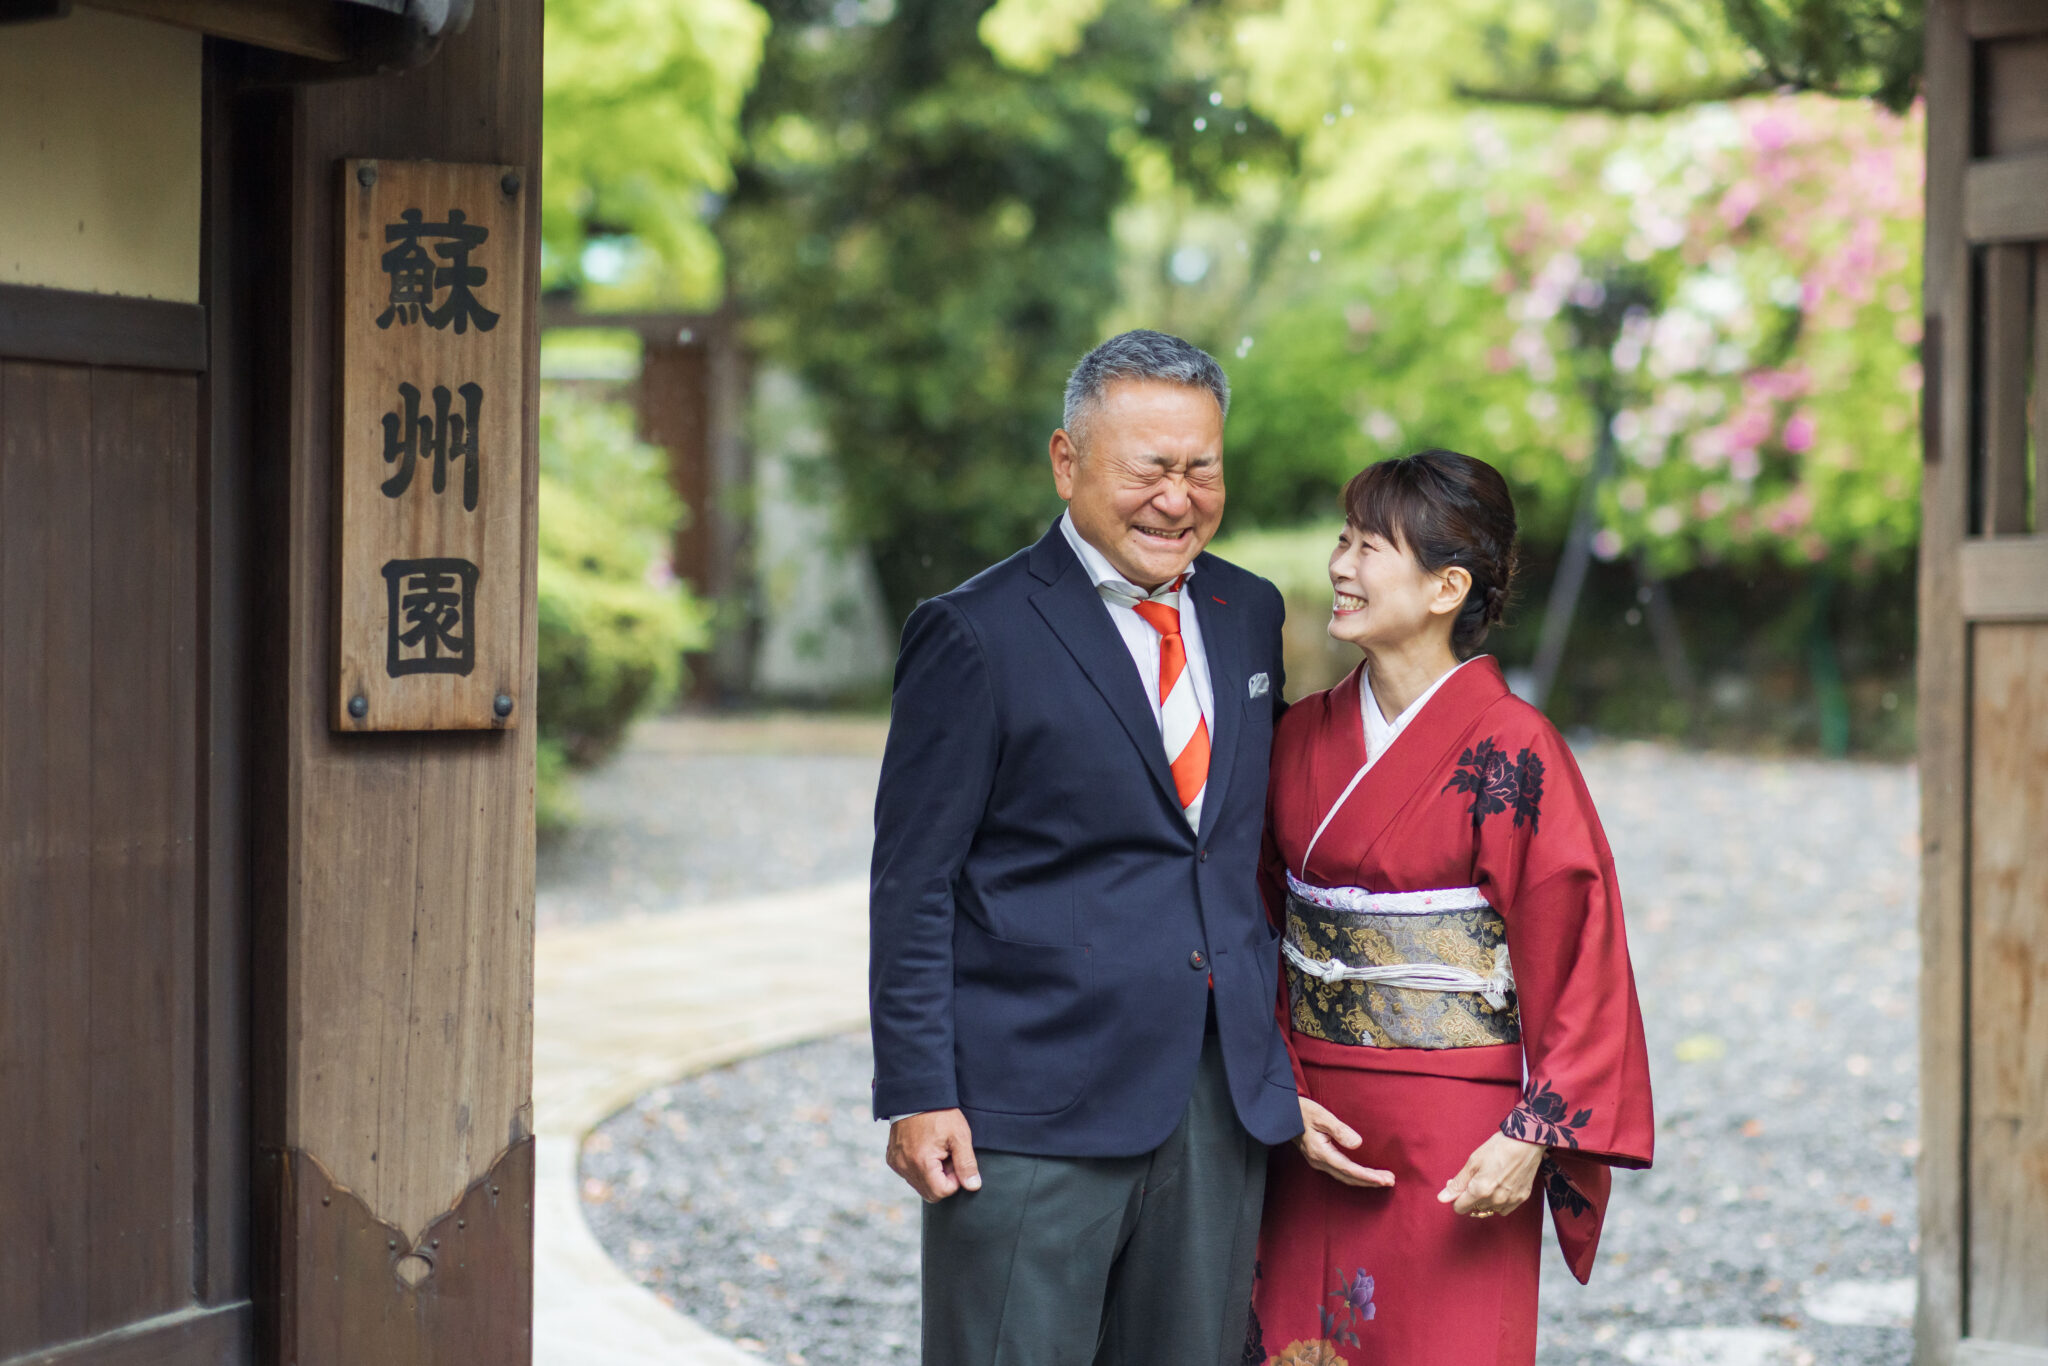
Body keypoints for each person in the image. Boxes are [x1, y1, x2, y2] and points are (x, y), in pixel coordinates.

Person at [869, 329, 1302, 1366]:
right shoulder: (974, 632)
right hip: (1030, 1103)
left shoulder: (1248, 612)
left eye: (1201, 468)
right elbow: (913, 883)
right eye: (1148, 468)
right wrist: (918, 1089)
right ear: (1066, 462)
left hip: (1216, 1095)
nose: (1176, 498)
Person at [1247, 449, 1654, 1366]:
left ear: (1447, 587)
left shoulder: (1514, 749)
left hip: (1462, 1137)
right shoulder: (1299, 737)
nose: (1341, 567)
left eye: (1370, 548)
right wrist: (1279, 1090)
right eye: (1343, 541)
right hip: (1312, 1119)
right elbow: (1254, 926)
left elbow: (1581, 958)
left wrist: (1532, 1136)